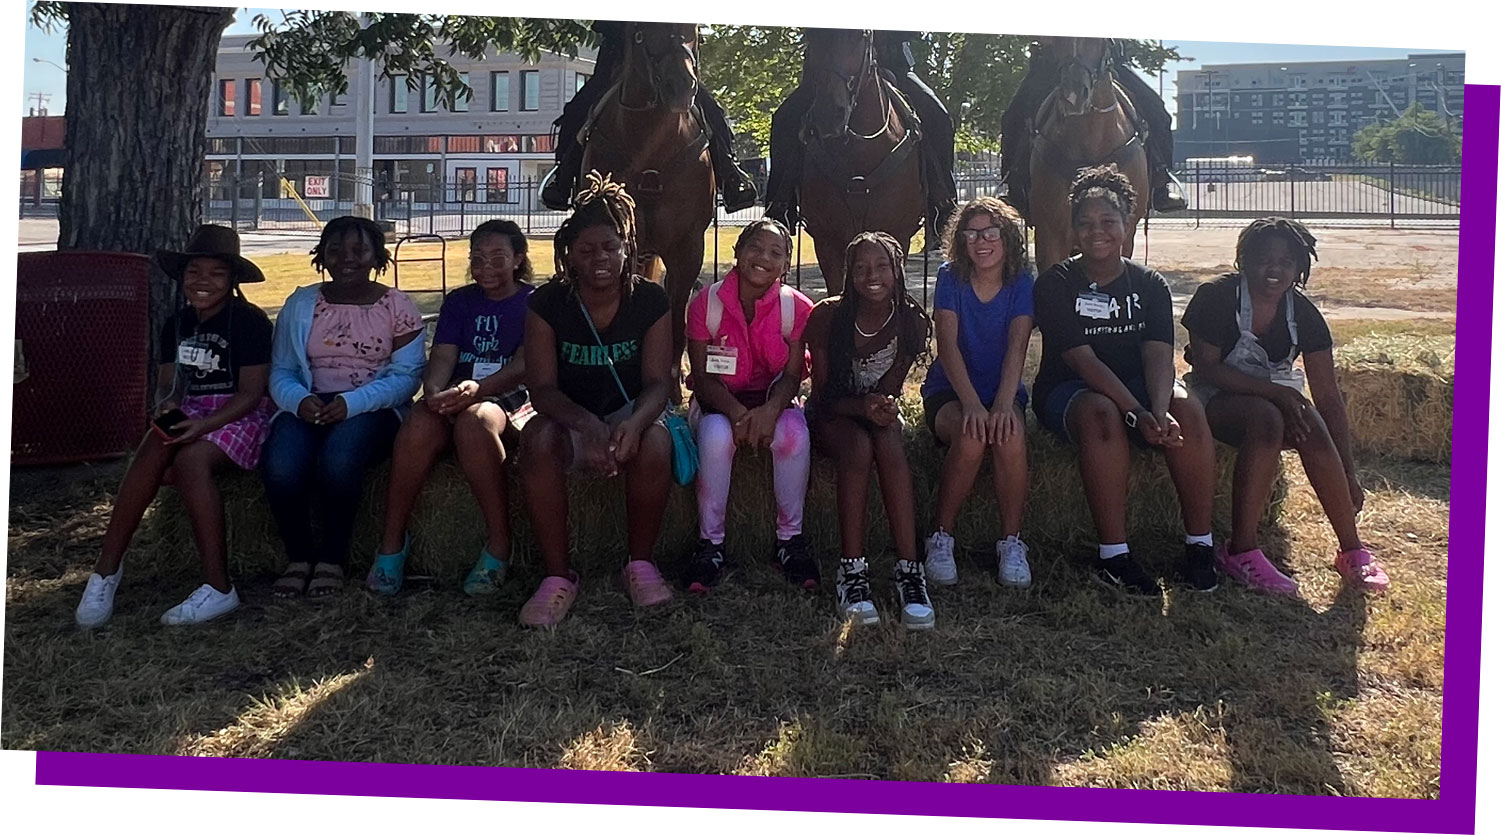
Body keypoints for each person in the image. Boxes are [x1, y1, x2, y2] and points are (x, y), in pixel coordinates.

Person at [74, 225, 275, 628]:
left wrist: (202, 427)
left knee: (190, 461)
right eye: (194, 272)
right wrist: (165, 404)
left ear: (233, 280)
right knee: (155, 441)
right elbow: (170, 382)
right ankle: (106, 570)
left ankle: (219, 587)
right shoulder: (177, 324)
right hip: (193, 407)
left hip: (237, 413)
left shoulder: (248, 322)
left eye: (216, 273)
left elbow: (252, 394)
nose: (202, 282)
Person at [1030, 164, 1218, 596]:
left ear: (1126, 225)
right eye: (1086, 224)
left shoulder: (1149, 283)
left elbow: (1158, 353)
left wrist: (1158, 410)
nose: (1098, 231)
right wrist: (1136, 415)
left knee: (1187, 408)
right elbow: (1081, 359)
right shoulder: (1056, 282)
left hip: (1137, 389)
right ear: (1073, 232)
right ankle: (1114, 556)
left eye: (1108, 222)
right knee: (1102, 413)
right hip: (1070, 390)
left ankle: (1200, 546)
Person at [1182, 217, 1389, 594]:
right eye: (1263, 259)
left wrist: (1349, 472)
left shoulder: (1304, 315)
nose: (1274, 269)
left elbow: (1328, 397)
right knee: (1267, 418)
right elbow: (1207, 367)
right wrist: (1277, 393)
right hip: (1212, 400)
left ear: (1299, 268)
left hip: (1277, 402)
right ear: (1243, 260)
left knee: (1305, 416)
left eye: (1285, 262)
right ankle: (1240, 550)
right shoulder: (1216, 297)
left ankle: (1352, 548)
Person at [518, 171, 675, 627]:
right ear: (568, 257)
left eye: (609, 247)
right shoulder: (547, 303)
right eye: (585, 251)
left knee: (657, 444)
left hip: (626, 413)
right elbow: (541, 389)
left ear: (627, 248)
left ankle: (641, 563)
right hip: (569, 415)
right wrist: (588, 425)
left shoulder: (650, 300)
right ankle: (556, 575)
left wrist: (633, 425)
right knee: (535, 438)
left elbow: (658, 383)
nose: (599, 259)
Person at [367, 220, 535, 597]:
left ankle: (498, 544)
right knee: (418, 424)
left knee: (475, 424)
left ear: (518, 259)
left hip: (510, 395)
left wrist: (479, 390)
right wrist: (432, 391)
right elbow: (443, 354)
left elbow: (526, 364)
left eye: (497, 257)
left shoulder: (533, 302)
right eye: (477, 258)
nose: (485, 267)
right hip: (459, 390)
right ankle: (391, 543)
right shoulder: (460, 301)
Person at [262, 216, 426, 599]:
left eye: (358, 250)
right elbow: (282, 369)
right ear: (321, 255)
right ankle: (299, 557)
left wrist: (351, 404)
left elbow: (407, 378)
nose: (346, 259)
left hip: (373, 409)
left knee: (339, 459)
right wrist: (298, 400)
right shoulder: (302, 303)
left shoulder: (397, 306)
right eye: (334, 249)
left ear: (376, 256)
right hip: (308, 404)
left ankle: (333, 558)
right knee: (281, 463)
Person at [805, 231, 934, 629]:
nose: (870, 275)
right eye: (860, 267)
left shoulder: (911, 322)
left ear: (897, 269)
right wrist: (861, 407)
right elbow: (823, 397)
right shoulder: (829, 316)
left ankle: (910, 572)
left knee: (890, 443)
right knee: (858, 447)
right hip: (832, 414)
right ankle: (852, 572)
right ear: (848, 275)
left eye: (880, 266)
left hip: (870, 412)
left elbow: (890, 389)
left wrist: (880, 406)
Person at [681, 218, 815, 595]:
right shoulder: (706, 303)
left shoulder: (797, 308)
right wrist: (738, 414)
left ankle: (790, 541)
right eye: (755, 247)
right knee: (716, 437)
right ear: (738, 252)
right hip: (719, 402)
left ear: (787, 265)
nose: (763, 258)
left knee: (793, 436)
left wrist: (771, 411)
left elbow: (792, 376)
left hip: (773, 400)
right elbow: (703, 378)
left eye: (776, 252)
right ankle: (711, 545)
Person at [919, 197, 1036, 589]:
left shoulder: (1022, 281)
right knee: (971, 436)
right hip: (950, 392)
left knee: (1010, 435)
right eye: (971, 233)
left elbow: (1018, 346)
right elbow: (947, 345)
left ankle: (1011, 542)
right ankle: (941, 536)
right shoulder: (951, 277)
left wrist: (1003, 404)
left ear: (1007, 238)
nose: (981, 241)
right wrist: (971, 404)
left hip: (1001, 389)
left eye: (990, 232)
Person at [765, 30, 958, 249]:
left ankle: (943, 204)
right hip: (829, 68)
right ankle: (780, 204)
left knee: (938, 117)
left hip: (892, 63)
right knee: (784, 119)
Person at [539, 20, 758, 213]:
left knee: (713, 111)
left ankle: (730, 173)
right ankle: (563, 176)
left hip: (672, 59)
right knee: (578, 109)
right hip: (621, 54)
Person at [1000, 38, 1186, 218]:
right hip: (1053, 65)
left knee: (1158, 111)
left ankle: (1160, 184)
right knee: (1012, 116)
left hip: (1104, 62)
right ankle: (1013, 188)